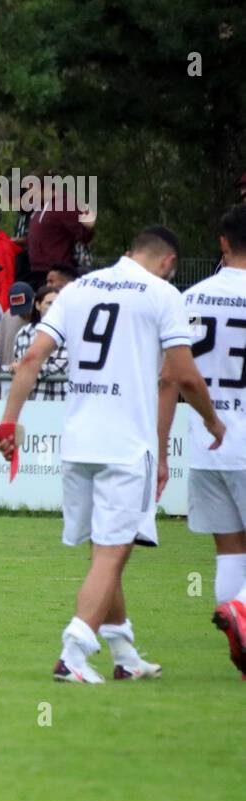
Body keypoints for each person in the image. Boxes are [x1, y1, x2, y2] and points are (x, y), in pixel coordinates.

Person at [0, 225, 224, 683]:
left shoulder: (77, 290)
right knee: (113, 552)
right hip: (125, 446)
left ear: (127, 251)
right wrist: (213, 421)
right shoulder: (161, 293)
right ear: (167, 263)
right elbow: (184, 376)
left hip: (79, 442)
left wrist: (9, 421)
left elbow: (32, 357)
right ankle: (74, 651)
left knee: (105, 549)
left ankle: (123, 652)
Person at [175, 204, 246, 676]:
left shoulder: (191, 298)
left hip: (206, 442)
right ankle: (240, 611)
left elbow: (175, 375)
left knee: (230, 550)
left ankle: (241, 650)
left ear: (222, 242)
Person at [11, 287, 69, 401]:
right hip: (29, 402)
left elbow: (60, 367)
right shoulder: (24, 332)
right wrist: (15, 368)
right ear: (37, 305)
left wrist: (24, 367)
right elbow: (18, 362)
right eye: (49, 303)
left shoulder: (68, 332)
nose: (54, 308)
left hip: (58, 400)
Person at [27, 200, 95, 289]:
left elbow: (83, 235)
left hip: (57, 272)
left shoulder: (64, 204)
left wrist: (88, 228)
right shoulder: (40, 206)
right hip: (36, 272)